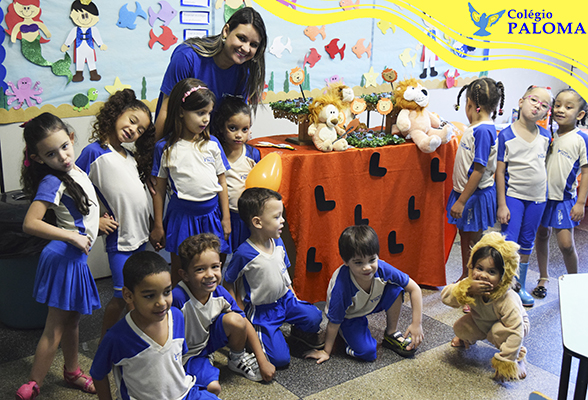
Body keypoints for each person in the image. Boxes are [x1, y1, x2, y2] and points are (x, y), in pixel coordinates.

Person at [16, 113, 101, 399]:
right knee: (55, 327)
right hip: (65, 258)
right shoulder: (52, 181)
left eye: (64, 146)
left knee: (72, 320)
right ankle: (34, 383)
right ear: (38, 158)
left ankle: (72, 371)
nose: (62, 157)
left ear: (72, 138)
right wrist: (71, 236)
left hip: (75, 259)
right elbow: (30, 223)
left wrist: (96, 224)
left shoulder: (75, 171)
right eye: (51, 154)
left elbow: (81, 209)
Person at [76, 88, 155, 337]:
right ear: (117, 113)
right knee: (123, 297)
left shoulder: (130, 156)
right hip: (121, 241)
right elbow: (72, 188)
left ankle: (134, 340)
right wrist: (94, 221)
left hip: (140, 237)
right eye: (132, 121)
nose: (134, 130)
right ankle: (107, 342)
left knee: (138, 293)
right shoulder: (94, 152)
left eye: (140, 130)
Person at [90, 251, 219, 400]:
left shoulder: (177, 316)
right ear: (128, 295)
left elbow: (178, 358)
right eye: (150, 296)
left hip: (185, 394)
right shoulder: (116, 337)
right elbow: (98, 373)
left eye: (167, 292)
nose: (162, 303)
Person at [224, 187, 324, 368]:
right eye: (277, 216)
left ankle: (295, 335)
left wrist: (294, 296)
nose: (283, 220)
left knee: (314, 316)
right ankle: (258, 337)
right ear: (257, 222)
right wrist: (236, 308)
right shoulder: (244, 253)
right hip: (263, 311)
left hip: (286, 300)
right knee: (280, 360)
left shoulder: (278, 241)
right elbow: (228, 280)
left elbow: (284, 272)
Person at [150, 78, 231, 285]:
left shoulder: (212, 144)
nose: (206, 119)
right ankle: (180, 305)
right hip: (182, 218)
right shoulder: (165, 148)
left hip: (211, 215)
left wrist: (226, 218)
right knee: (181, 272)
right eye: (200, 113)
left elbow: (222, 182)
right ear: (180, 112)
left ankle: (210, 304)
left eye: (209, 113)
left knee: (213, 269)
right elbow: (159, 190)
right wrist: (158, 225)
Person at [173, 234, 275, 395]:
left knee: (236, 319)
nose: (210, 274)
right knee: (213, 388)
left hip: (206, 343)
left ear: (221, 266)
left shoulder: (219, 293)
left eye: (214, 267)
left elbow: (243, 322)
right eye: (200, 269)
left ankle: (237, 358)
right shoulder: (177, 298)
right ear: (185, 275)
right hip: (185, 355)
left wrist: (262, 360)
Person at [304, 225, 424, 364]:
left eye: (372, 260)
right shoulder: (341, 287)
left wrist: (416, 324)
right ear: (346, 261)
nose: (367, 267)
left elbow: (415, 289)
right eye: (358, 262)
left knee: (395, 288)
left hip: (370, 302)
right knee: (368, 353)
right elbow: (333, 322)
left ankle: (391, 333)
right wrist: (326, 351)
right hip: (349, 316)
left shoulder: (382, 268)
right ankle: (346, 338)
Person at [154, 6, 267, 139]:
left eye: (253, 45)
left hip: (214, 145)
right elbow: (167, 110)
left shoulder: (245, 72)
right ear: (226, 31)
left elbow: (236, 121)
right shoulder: (187, 57)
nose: (246, 48)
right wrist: (156, 150)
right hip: (180, 142)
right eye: (241, 38)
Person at [442, 232, 530, 382]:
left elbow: (516, 330)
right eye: (479, 268)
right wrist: (467, 288)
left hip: (515, 326)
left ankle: (519, 357)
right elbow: (445, 297)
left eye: (492, 272)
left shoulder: (508, 298)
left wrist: (506, 361)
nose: (483, 275)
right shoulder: (471, 285)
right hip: (482, 321)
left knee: (496, 332)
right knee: (460, 328)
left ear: (503, 275)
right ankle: (467, 340)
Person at [449, 77, 505, 313]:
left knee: (472, 244)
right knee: (467, 240)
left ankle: (473, 287)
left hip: (473, 197)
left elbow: (479, 169)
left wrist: (462, 200)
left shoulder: (482, 131)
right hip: (467, 194)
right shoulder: (479, 128)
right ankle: (466, 277)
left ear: (472, 104)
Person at [495, 86, 552, 308]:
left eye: (544, 105)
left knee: (527, 242)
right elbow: (500, 171)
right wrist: (502, 204)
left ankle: (519, 287)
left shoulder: (546, 136)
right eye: (534, 100)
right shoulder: (506, 135)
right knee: (509, 242)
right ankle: (504, 287)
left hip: (538, 198)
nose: (537, 106)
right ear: (521, 101)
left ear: (546, 112)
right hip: (513, 196)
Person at [534, 88, 588, 298]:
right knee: (541, 235)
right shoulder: (547, 135)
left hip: (564, 200)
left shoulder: (581, 139)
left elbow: (586, 172)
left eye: (568, 107)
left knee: (566, 245)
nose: (560, 110)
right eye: (557, 105)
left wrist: (580, 202)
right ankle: (543, 277)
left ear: (580, 114)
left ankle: (574, 283)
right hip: (541, 197)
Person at [210, 95, 260, 252]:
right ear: (221, 127)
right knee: (220, 253)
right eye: (233, 128)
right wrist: (224, 218)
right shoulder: (215, 153)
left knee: (245, 253)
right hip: (222, 215)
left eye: (245, 129)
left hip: (246, 217)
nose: (239, 135)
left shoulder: (253, 154)